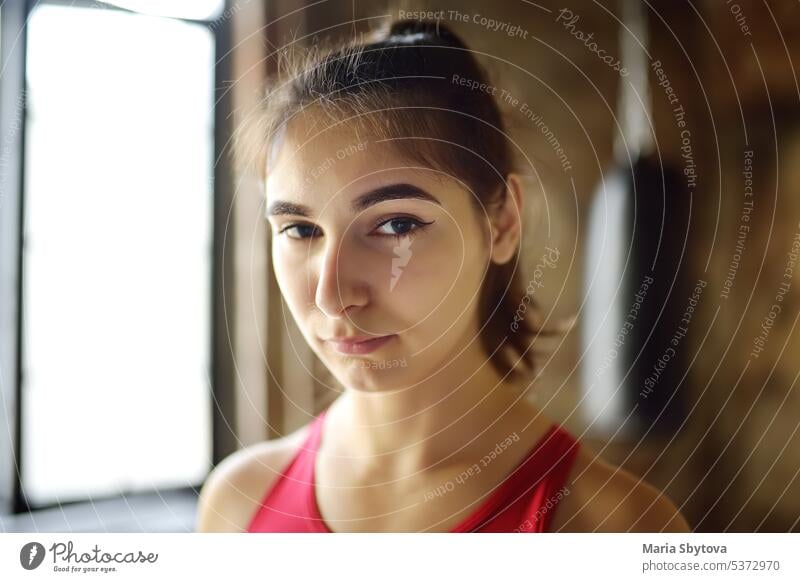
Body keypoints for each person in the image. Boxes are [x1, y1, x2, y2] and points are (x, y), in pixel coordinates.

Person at [196, 18, 691, 533]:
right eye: (300, 229)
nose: (330, 297)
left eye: (395, 224)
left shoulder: (616, 527)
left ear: (501, 223)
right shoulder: (239, 503)